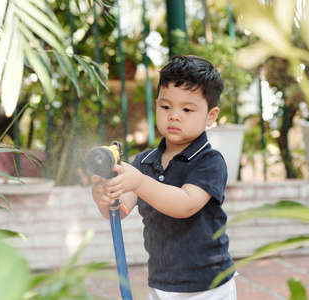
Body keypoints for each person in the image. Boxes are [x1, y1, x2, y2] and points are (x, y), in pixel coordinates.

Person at [91, 55, 236, 300]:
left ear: (211, 116)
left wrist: (138, 182)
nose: (174, 116)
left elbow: (184, 204)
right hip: (162, 282)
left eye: (187, 109)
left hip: (207, 286)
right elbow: (119, 209)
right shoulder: (145, 162)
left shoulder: (210, 162)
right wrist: (105, 194)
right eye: (166, 106)